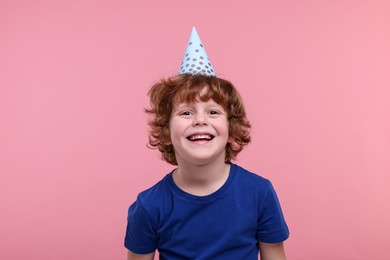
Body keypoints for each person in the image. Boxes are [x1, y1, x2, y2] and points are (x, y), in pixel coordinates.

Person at [124, 28, 289, 260]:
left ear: (231, 128)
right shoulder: (149, 206)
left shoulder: (259, 193)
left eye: (212, 111)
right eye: (186, 112)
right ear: (166, 132)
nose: (200, 120)